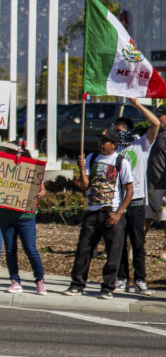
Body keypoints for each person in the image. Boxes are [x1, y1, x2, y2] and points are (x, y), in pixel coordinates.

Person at [64, 129, 134, 299]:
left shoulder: (121, 162)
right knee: (84, 249)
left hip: (111, 213)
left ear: (114, 144)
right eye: (100, 140)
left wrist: (118, 213)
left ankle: (108, 287)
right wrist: (81, 169)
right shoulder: (92, 158)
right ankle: (77, 284)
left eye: (105, 141)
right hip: (92, 213)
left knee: (113, 252)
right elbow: (84, 186)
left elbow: (129, 191)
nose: (101, 144)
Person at [113, 98, 158, 296]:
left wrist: (137, 105)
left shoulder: (141, 144)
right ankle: (122, 278)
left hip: (138, 201)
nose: (116, 134)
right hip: (118, 202)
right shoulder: (115, 148)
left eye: (120, 131)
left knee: (138, 243)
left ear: (128, 131)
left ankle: (140, 280)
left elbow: (155, 123)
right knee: (120, 242)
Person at [0, 143, 47, 295]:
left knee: (30, 248)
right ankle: (15, 281)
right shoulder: (2, 168)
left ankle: (39, 280)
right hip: (6, 215)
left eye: (11, 152)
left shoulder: (32, 168)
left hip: (26, 216)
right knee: (10, 249)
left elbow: (43, 189)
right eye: (7, 151)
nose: (8, 153)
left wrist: (40, 193)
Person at [145, 104, 166, 260]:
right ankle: (135, 248)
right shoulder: (155, 134)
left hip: (163, 186)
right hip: (149, 185)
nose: (158, 118)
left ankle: (165, 251)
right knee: (145, 218)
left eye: (161, 115)